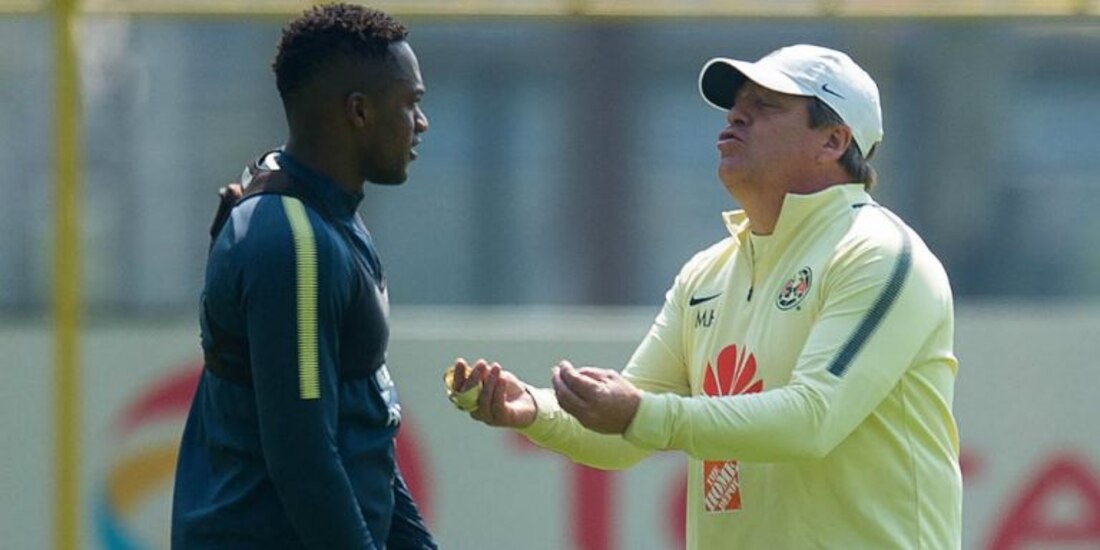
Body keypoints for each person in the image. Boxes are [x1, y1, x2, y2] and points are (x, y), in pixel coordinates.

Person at [449, 44, 961, 548]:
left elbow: (813, 420)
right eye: (738, 102)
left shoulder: (877, 253)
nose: (737, 115)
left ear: (832, 141)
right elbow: (625, 429)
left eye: (766, 105)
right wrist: (533, 410)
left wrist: (643, 415)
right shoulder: (707, 273)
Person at [171, 3, 434, 549]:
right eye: (410, 103)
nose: (421, 122)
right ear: (358, 111)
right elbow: (303, 461)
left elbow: (363, 428)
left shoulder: (320, 212)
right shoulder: (294, 243)